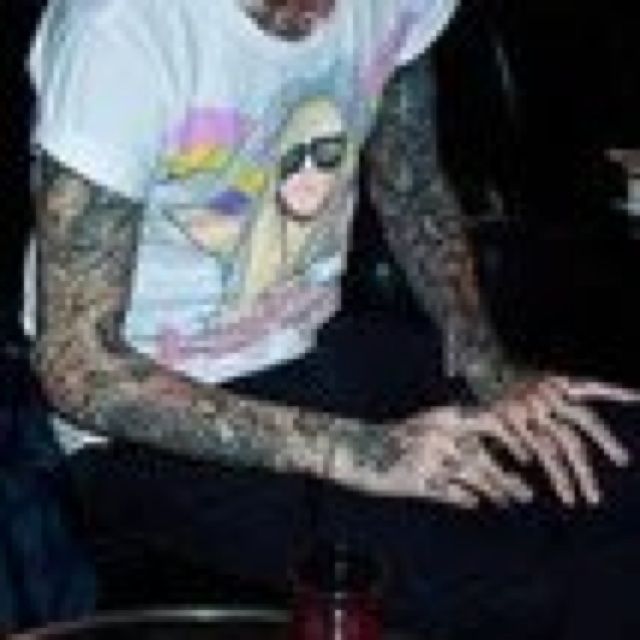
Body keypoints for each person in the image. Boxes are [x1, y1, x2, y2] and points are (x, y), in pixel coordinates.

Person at [26, 0, 640, 635]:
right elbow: (80, 370)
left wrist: (492, 371)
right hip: (144, 420)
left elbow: (413, 189)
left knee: (617, 467)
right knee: (513, 581)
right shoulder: (122, 28)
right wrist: (363, 452)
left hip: (315, 345)